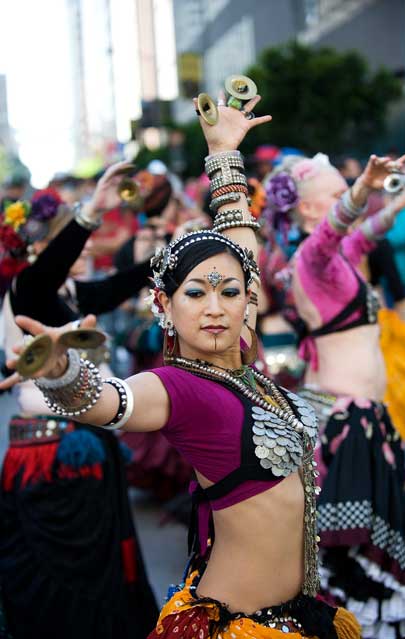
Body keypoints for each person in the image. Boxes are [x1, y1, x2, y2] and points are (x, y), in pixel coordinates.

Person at [2, 94, 361, 639]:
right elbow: (108, 400)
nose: (215, 307)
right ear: (165, 306)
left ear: (248, 299)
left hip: (301, 616)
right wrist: (58, 370)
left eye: (229, 293)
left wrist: (223, 154)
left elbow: (241, 246)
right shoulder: (179, 388)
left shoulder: (244, 359)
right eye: (195, 293)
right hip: (239, 629)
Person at [265, 152, 405, 638]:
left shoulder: (336, 261)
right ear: (309, 211)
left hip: (357, 416)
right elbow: (339, 228)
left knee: (370, 545)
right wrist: (360, 193)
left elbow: (364, 233)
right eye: (335, 196)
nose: (347, 202)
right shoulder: (313, 259)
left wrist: (402, 200)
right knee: (353, 560)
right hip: (345, 419)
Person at [0, 175, 159, 639]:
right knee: (67, 577)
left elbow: (124, 282)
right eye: (72, 239)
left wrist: (182, 252)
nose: (87, 247)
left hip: (88, 443)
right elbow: (48, 270)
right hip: (51, 457)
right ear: (40, 249)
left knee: (105, 570)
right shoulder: (26, 293)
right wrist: (92, 212)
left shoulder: (71, 296)